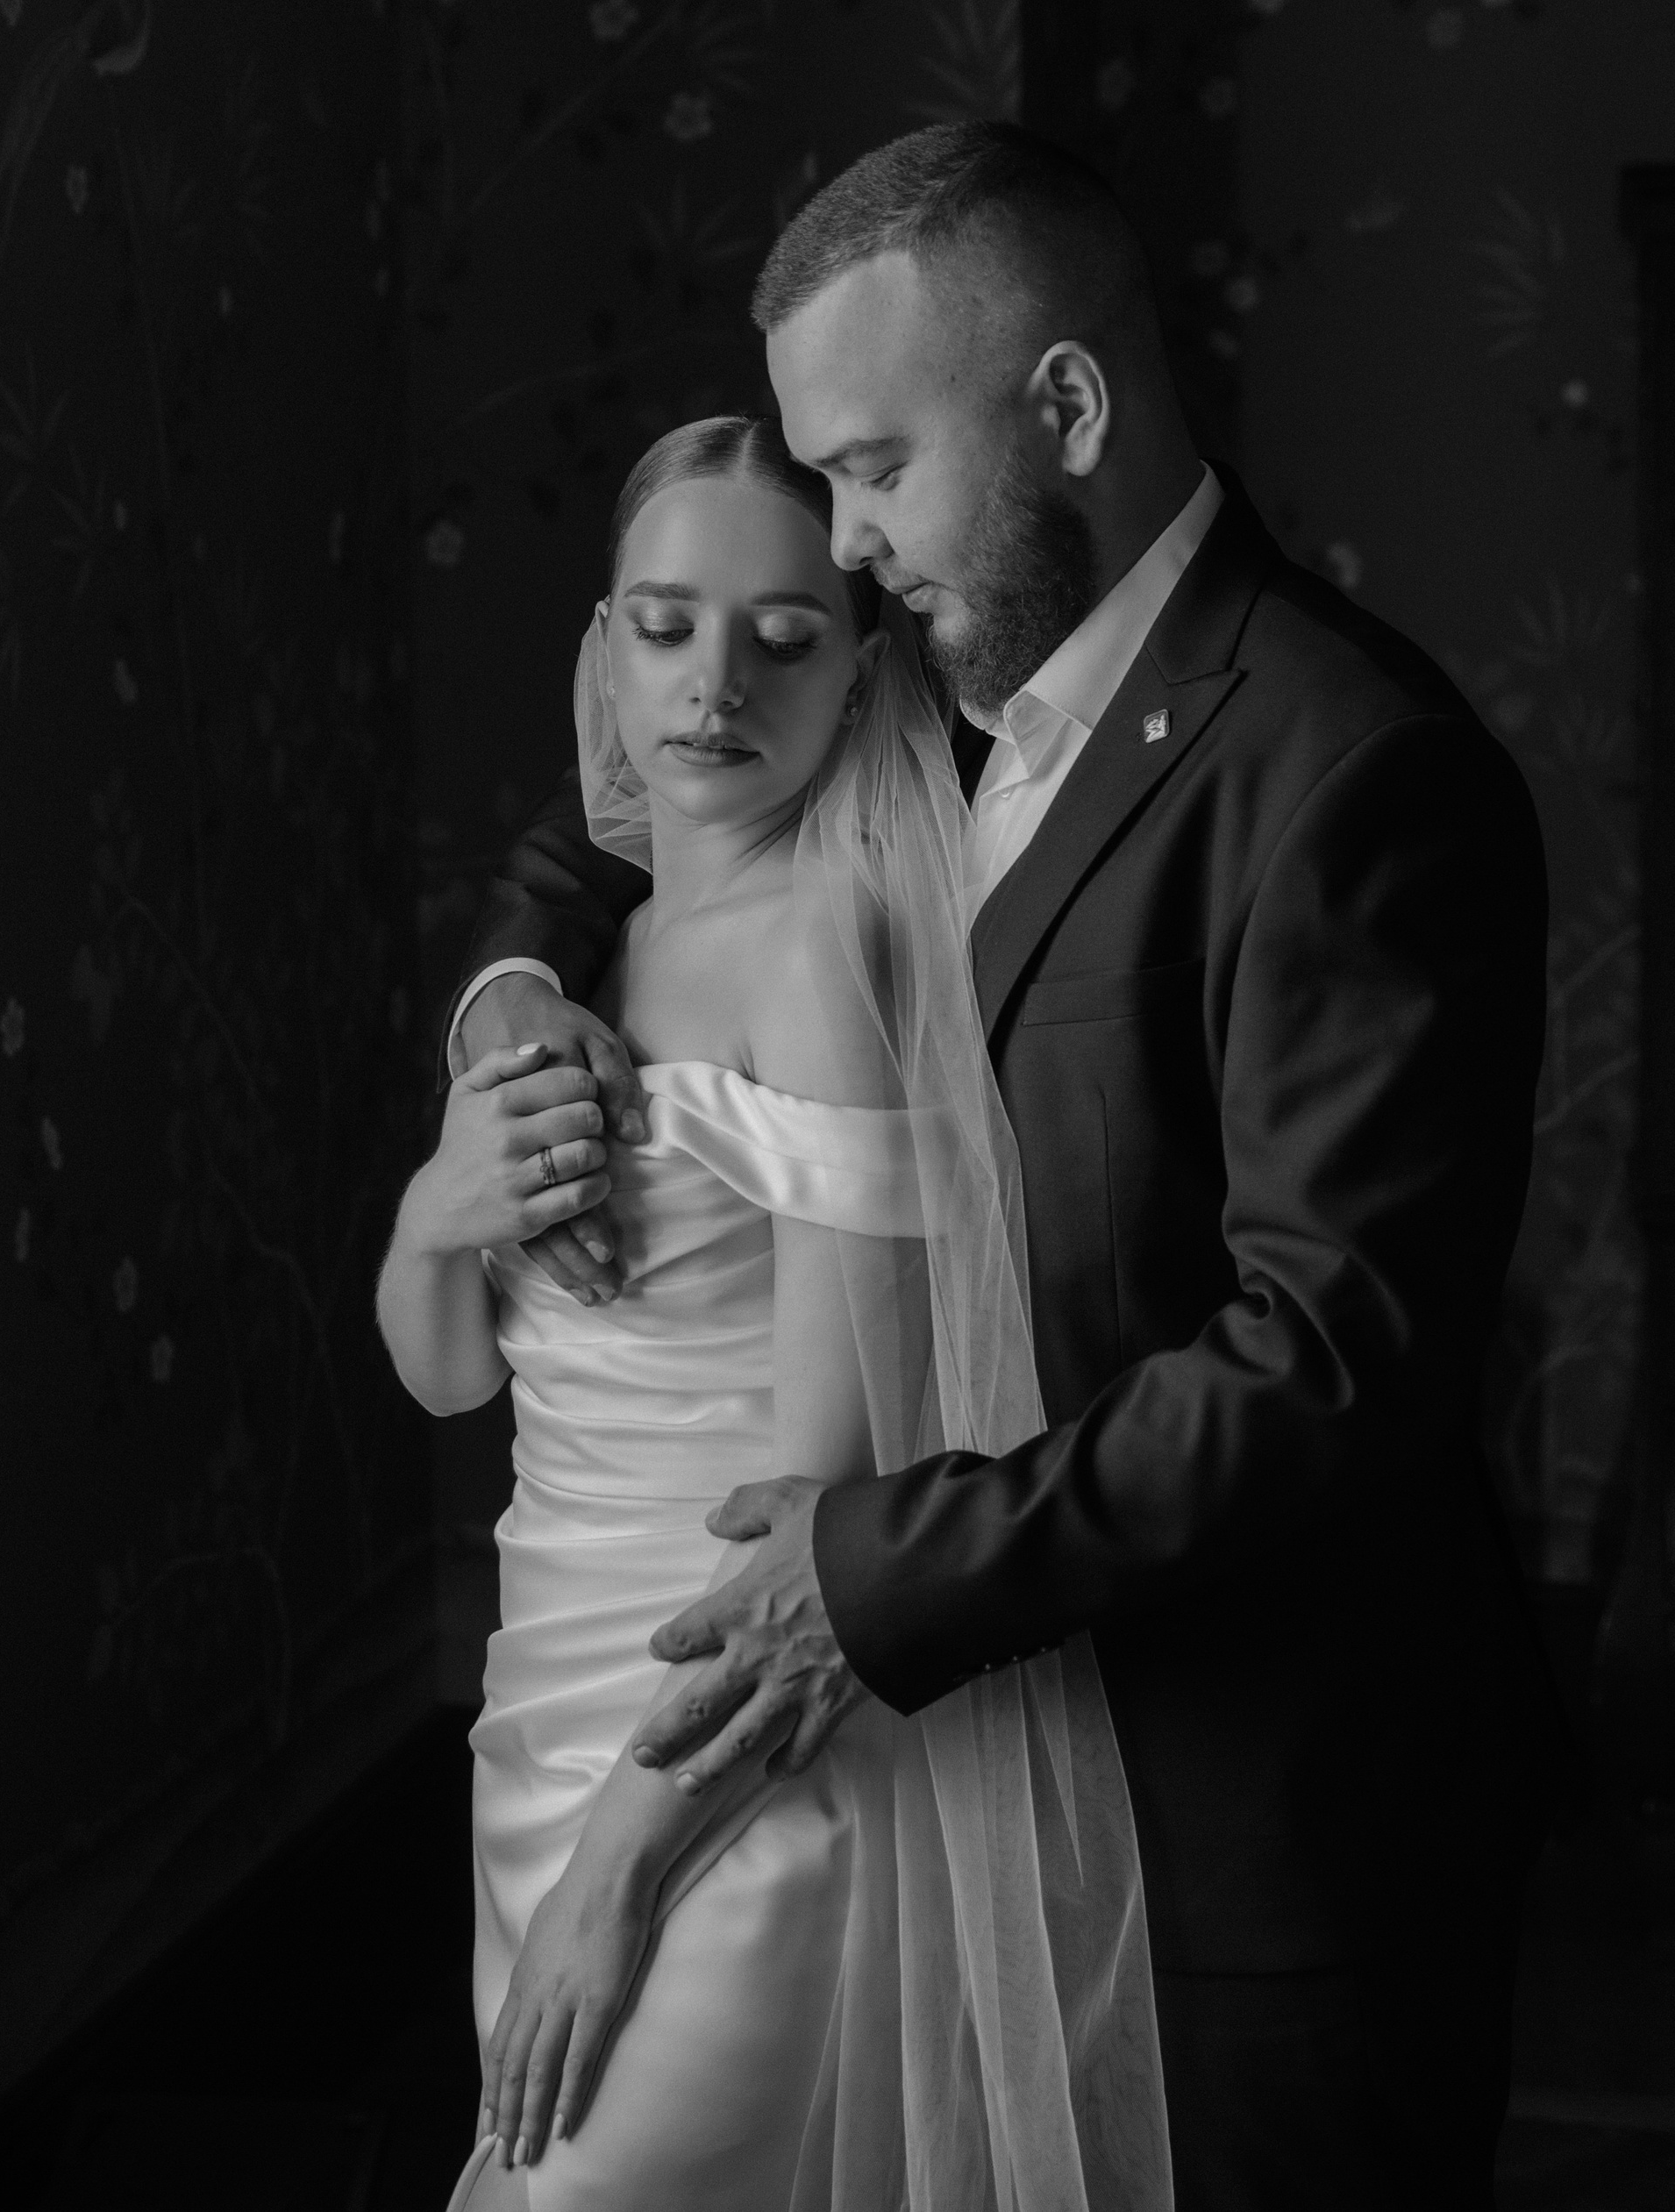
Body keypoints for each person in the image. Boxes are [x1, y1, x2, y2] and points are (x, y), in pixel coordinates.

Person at [447, 124, 1567, 2208]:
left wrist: (872, 1574)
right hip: (954, 1800)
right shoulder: (926, 667)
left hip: (1257, 1831)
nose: (844, 542)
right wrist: (510, 1000)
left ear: (1067, 408)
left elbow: (1333, 1362)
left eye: (875, 465)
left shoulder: (1355, 771)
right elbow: (635, 791)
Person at [380, 415, 1171, 2208]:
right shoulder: (587, 967)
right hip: (539, 1719)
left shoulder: (827, 953)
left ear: (863, 671)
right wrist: (439, 1215)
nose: (715, 684)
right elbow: (446, 1378)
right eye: (666, 627)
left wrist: (623, 1873)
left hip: (720, 1765)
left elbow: (814, 1517)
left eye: (784, 638)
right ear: (603, 652)